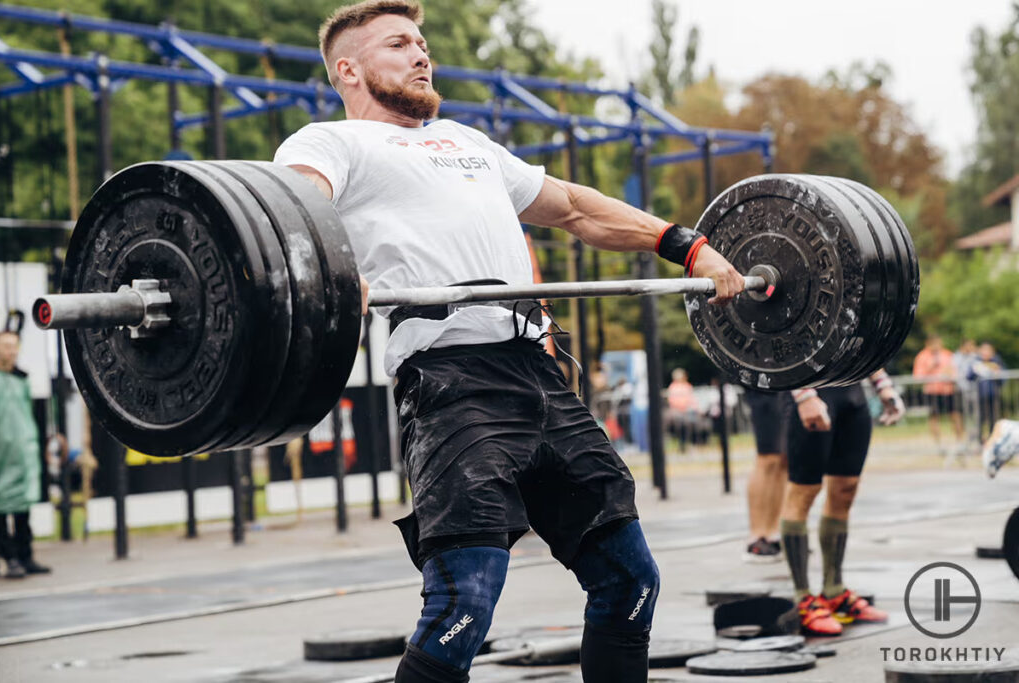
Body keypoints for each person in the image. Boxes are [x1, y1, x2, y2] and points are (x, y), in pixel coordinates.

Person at [273, 3, 745, 681]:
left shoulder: (468, 143)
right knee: (463, 602)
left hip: (539, 373)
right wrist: (333, 270)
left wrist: (686, 244)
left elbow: (577, 208)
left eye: (422, 41)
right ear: (347, 68)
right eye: (399, 42)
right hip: (450, 382)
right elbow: (298, 210)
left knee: (630, 580)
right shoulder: (328, 143)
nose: (420, 53)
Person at [779, 370, 904, 635]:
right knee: (804, 491)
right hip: (809, 389)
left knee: (845, 489)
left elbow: (863, 337)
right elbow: (782, 345)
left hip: (851, 391)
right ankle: (803, 599)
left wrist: (883, 386)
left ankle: (834, 592)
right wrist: (802, 394)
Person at [0, 331, 51, 579]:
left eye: (14, 346)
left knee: (21, 508)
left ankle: (25, 556)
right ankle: (9, 558)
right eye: (6, 346)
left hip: (21, 452)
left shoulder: (22, 379)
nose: (12, 351)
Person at [742, 390, 788, 562]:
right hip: (764, 383)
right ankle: (756, 536)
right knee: (768, 457)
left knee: (784, 460)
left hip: (787, 386)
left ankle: (773, 532)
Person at [912, 335, 963, 456]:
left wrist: (950, 374)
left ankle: (960, 442)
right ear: (928, 344)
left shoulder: (948, 354)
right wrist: (930, 368)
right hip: (932, 391)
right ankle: (938, 444)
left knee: (955, 415)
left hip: (948, 390)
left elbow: (955, 371)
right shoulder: (922, 356)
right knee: (934, 417)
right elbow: (917, 376)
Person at [969, 342, 1006, 441]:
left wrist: (998, 373)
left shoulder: (997, 362)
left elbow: (1003, 380)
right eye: (984, 350)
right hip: (980, 395)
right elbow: (969, 376)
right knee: (980, 419)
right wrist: (974, 370)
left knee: (993, 419)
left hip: (993, 395)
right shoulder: (976, 362)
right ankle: (979, 440)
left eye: (988, 350)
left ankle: (992, 439)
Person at [665, 369, 699, 449]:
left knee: (691, 420)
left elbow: (692, 400)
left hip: (687, 410)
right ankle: (682, 442)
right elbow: (672, 401)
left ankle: (690, 442)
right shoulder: (673, 387)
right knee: (680, 421)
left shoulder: (687, 386)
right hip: (677, 411)